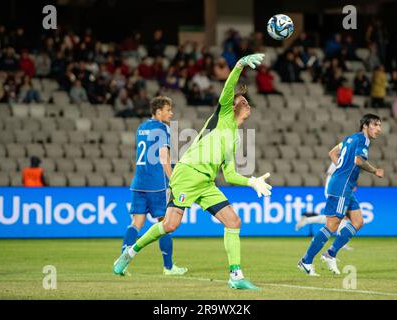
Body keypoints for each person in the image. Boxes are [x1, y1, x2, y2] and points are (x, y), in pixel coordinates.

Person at [113, 53, 272, 290]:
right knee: (170, 226)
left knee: (233, 221)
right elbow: (229, 87)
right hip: (188, 174)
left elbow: (228, 175)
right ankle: (129, 253)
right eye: (242, 100)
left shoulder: (235, 139)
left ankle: (236, 276)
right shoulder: (223, 115)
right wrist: (239, 65)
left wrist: (251, 182)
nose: (246, 102)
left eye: (247, 101)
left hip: (206, 183)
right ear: (233, 105)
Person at [298, 114, 384, 276]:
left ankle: (330, 253)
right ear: (365, 125)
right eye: (376, 125)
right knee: (332, 225)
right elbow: (359, 160)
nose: (379, 129)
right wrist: (375, 171)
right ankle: (306, 261)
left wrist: (342, 169)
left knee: (358, 221)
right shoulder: (363, 140)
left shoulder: (351, 138)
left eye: (380, 125)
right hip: (341, 187)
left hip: (344, 185)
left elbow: (332, 153)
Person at [120, 96, 188, 276]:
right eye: (168, 110)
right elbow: (163, 157)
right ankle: (168, 267)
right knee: (164, 223)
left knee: (136, 223)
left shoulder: (141, 128)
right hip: (156, 184)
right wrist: (174, 180)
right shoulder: (162, 128)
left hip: (139, 182)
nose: (171, 113)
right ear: (159, 112)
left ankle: (122, 262)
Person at [295, 162, 354, 251]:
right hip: (334, 185)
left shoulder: (344, 154)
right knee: (342, 216)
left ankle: (306, 220)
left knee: (335, 217)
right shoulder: (344, 154)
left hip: (335, 184)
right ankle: (341, 242)